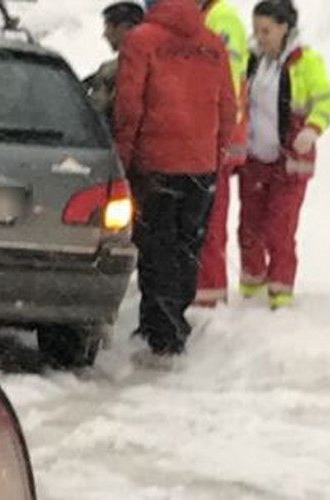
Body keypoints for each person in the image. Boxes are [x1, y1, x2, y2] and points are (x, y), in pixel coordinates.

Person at [115, 0, 236, 355]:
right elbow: (227, 105)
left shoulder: (142, 40)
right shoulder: (213, 44)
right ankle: (172, 319)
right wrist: (215, 153)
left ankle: (160, 330)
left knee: (156, 247)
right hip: (200, 165)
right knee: (187, 246)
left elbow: (129, 105)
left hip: (155, 163)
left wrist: (124, 155)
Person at [238, 0, 330, 310]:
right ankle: (252, 285)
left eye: (265, 31)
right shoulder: (252, 60)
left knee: (280, 228)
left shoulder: (306, 63)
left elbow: (326, 104)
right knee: (249, 227)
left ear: (284, 28)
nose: (260, 37)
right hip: (254, 160)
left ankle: (280, 293)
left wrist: (312, 129)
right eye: (256, 30)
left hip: (289, 161)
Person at [194, 0, 248, 307]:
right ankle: (204, 290)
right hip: (210, 135)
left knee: (209, 220)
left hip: (217, 137)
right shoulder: (210, 16)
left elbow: (224, 80)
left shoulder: (222, 18)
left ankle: (208, 295)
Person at [84, 1, 144, 129]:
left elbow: (94, 116)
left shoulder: (111, 71)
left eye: (108, 26)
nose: (104, 34)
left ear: (124, 28)